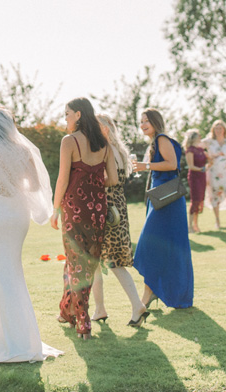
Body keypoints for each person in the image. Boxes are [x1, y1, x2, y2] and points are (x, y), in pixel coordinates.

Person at [0, 108, 63, 363]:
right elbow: (36, 186)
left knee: (2, 273)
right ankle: (17, 335)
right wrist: (16, 187)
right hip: (18, 215)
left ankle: (11, 339)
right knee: (12, 272)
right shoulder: (24, 151)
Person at [51, 97, 119, 339]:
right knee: (86, 265)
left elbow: (62, 179)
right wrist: (94, 178)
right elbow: (113, 179)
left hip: (74, 209)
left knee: (76, 263)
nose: (65, 118)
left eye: (67, 113)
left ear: (78, 115)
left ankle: (83, 321)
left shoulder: (69, 141)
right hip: (97, 210)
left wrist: (55, 208)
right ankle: (67, 311)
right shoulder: (105, 145)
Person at [132, 108, 193, 316]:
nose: (142, 125)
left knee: (148, 246)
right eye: (141, 121)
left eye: (146, 121)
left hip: (168, 201)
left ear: (156, 122)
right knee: (159, 248)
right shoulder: (155, 142)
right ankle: (151, 293)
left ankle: (151, 295)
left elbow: (172, 165)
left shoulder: (162, 139)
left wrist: (144, 165)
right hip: (160, 199)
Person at [88, 114, 145, 325]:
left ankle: (135, 304)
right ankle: (100, 308)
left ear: (102, 128)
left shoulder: (104, 149)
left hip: (106, 207)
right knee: (107, 261)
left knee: (108, 261)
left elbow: (108, 180)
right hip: (118, 206)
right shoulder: (120, 149)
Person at [201, 120, 226, 228]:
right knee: (214, 196)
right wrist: (207, 156)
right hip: (214, 172)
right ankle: (217, 220)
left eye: (220, 128)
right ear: (213, 130)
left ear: (224, 129)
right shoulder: (209, 141)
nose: (218, 130)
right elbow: (195, 147)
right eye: (216, 128)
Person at [182, 129, 208, 233]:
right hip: (195, 176)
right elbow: (191, 166)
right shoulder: (190, 150)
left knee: (200, 200)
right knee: (195, 200)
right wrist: (201, 169)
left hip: (202, 176)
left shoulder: (201, 149)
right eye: (198, 135)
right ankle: (189, 226)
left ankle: (196, 225)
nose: (200, 136)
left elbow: (208, 160)